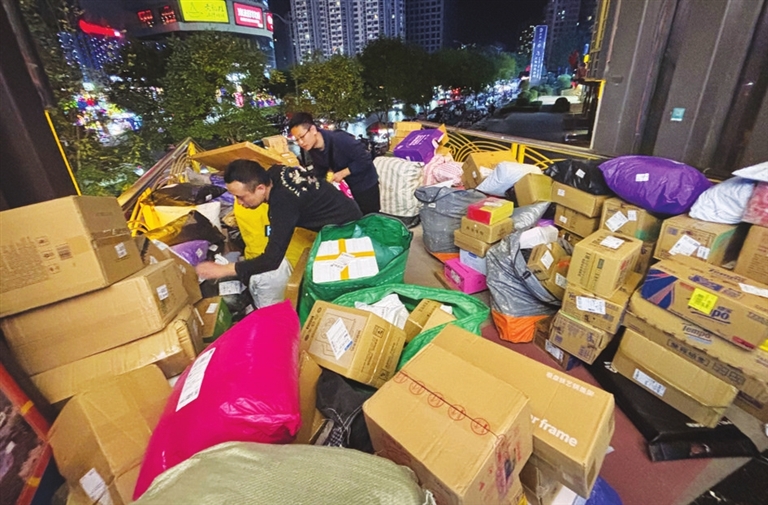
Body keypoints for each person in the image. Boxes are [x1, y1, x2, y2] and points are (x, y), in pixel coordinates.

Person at [195, 159, 362, 306]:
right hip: (346, 211)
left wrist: (223, 270)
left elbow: (272, 260)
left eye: (242, 197)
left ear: (260, 188)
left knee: (333, 282)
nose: (240, 203)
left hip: (347, 229)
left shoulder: (282, 204)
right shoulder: (275, 172)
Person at [288, 112, 381, 214]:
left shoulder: (340, 139)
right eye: (297, 140)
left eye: (302, 137)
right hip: (346, 189)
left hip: (365, 185)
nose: (300, 143)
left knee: (370, 219)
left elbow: (366, 158)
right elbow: (320, 170)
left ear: (313, 130)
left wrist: (343, 173)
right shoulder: (312, 148)